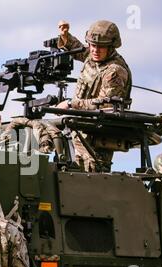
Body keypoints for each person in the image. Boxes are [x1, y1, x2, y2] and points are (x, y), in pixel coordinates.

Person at [56, 20, 132, 172]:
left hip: (98, 135)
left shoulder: (115, 71)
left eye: (101, 46)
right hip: (81, 130)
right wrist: (65, 37)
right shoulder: (93, 56)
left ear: (111, 47)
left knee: (91, 174)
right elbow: (79, 50)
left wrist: (71, 105)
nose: (95, 50)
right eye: (92, 45)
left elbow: (105, 104)